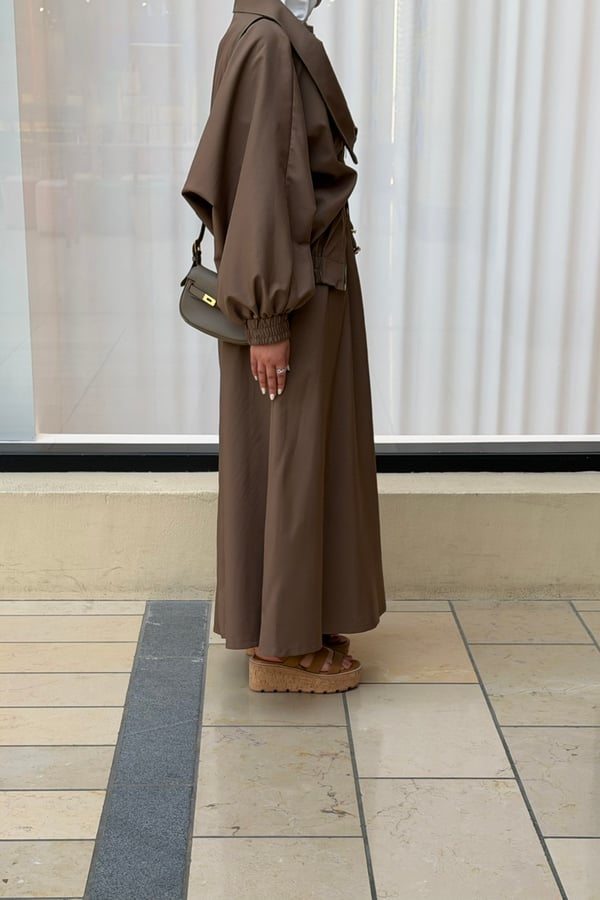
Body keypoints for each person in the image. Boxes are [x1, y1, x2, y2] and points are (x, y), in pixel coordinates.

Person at [182, 0, 385, 693]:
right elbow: (261, 185)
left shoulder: (269, 35)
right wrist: (267, 320)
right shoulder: (268, 43)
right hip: (291, 293)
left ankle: (298, 619)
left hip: (306, 283)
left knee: (303, 457)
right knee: (290, 460)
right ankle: (282, 649)